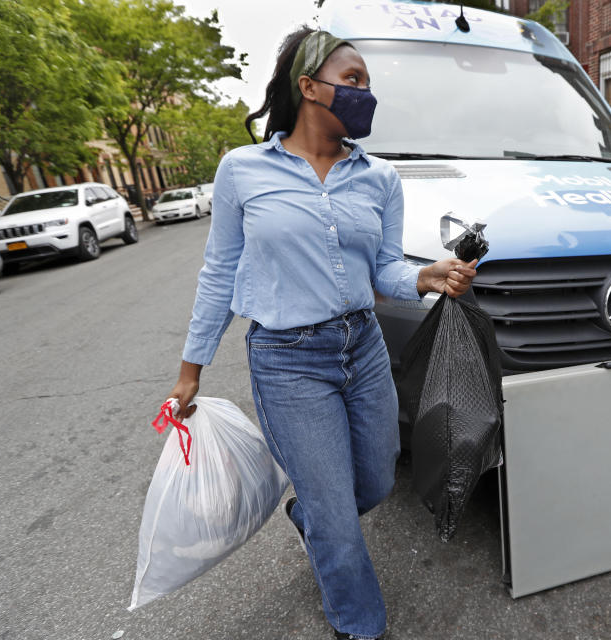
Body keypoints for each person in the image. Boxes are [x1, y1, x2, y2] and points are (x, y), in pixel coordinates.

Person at [163, 29, 478, 640]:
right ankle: (357, 622)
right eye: (353, 80)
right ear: (309, 87)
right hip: (287, 362)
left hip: (361, 347)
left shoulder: (379, 179)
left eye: (368, 82)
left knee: (378, 480)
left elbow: (384, 270)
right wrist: (189, 370)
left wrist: (426, 276)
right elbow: (219, 274)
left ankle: (311, 513)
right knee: (338, 515)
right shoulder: (243, 170)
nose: (366, 93)